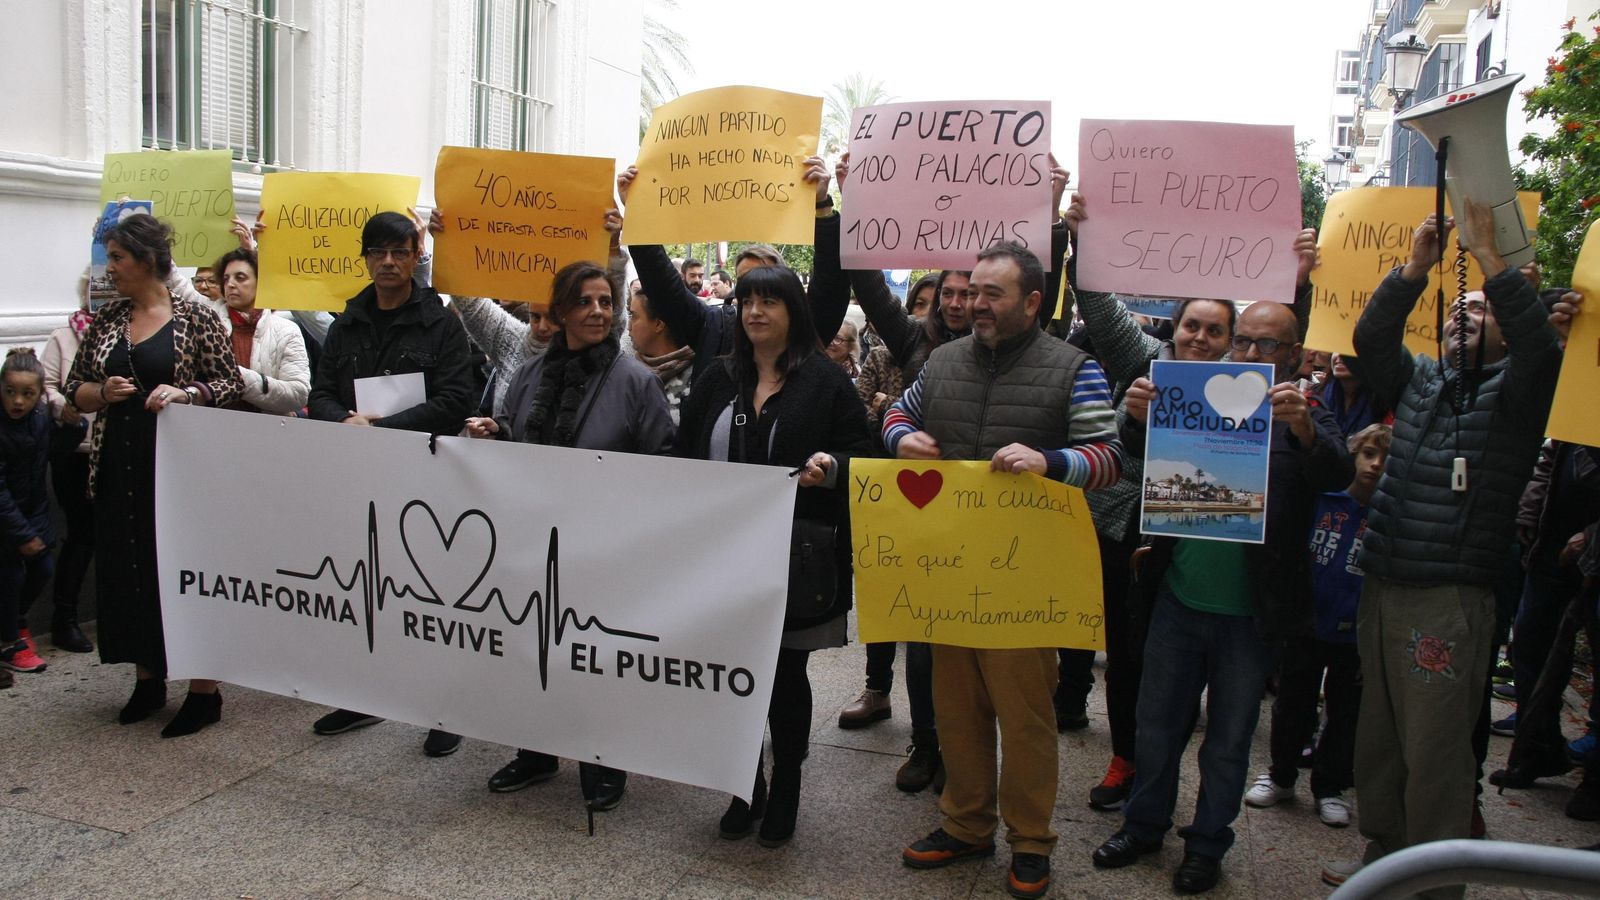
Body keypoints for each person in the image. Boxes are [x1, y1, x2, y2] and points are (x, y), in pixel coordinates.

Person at [1321, 202, 1573, 894]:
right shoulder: (1424, 379)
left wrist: (1495, 263)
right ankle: (1386, 854)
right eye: (1455, 311)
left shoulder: (1521, 392)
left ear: (1506, 332)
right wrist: (1413, 269)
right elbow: (1371, 342)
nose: (1463, 318)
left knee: (1434, 750)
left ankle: (1434, 881)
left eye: (1480, 313)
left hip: (1448, 599)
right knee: (1381, 738)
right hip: (1385, 582)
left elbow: (1542, 347)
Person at [1064, 189, 1320, 812]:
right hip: (1130, 534)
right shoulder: (1144, 362)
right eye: (1191, 326)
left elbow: (1286, 335)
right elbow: (1098, 308)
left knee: (1180, 681)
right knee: (1127, 659)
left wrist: (1299, 281)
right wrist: (1082, 239)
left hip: (1200, 549)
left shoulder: (1252, 390)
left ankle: (1170, 783)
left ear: (1233, 341)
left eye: (1216, 331)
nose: (1201, 338)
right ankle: (1128, 760)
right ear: (1173, 330)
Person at [888, 240, 1122, 900]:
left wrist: (1054, 462)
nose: (974, 305)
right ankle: (965, 825)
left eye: (992, 294)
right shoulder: (944, 361)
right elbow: (899, 411)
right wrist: (902, 437)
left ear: (1033, 302)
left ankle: (1029, 840)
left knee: (1025, 721)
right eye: (969, 292)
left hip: (1026, 580)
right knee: (953, 709)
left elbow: (1109, 456)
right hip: (949, 569)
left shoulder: (1074, 369)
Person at [1092, 301, 1350, 895]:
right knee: (1156, 726)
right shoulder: (1191, 393)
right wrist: (1134, 417)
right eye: (1246, 342)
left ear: (1292, 352)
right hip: (1176, 598)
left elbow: (1337, 474)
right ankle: (1144, 825)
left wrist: (1307, 431)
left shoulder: (1307, 410)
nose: (1253, 354)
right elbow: (1137, 451)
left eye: (1269, 345)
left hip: (1250, 616)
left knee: (1230, 742)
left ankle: (1207, 844)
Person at [675, 264, 873, 848]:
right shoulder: (716, 378)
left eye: (770, 301)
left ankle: (785, 783)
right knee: (733, 676)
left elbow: (859, 455)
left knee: (784, 676)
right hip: (720, 556)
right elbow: (685, 456)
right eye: (746, 302)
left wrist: (829, 468)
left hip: (792, 557)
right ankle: (745, 784)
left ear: (794, 311)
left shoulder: (825, 381)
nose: (755, 311)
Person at [466, 260, 674, 811]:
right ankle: (536, 751)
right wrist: (497, 432)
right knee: (531, 646)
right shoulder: (532, 375)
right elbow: (519, 441)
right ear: (560, 312)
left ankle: (604, 759)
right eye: (585, 302)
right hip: (532, 539)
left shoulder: (636, 381)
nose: (599, 312)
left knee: (594, 654)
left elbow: (665, 462)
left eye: (607, 301)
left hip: (603, 546)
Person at [62, 213, 243, 736]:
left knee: (182, 572)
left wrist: (188, 393)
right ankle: (148, 679)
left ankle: (204, 692)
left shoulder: (197, 317)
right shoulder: (109, 319)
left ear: (145, 259)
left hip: (180, 472)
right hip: (119, 464)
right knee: (131, 569)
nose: (110, 268)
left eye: (117, 258)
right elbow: (75, 387)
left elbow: (229, 384)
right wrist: (100, 393)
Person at [305, 211, 476, 757]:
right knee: (366, 582)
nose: (387, 262)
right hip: (360, 476)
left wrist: (385, 428)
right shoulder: (348, 322)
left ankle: (444, 707)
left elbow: (456, 399)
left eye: (399, 252)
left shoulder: (441, 323)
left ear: (414, 256)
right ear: (366, 258)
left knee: (433, 591)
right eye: (378, 252)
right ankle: (365, 693)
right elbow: (323, 388)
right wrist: (341, 421)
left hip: (427, 477)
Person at [1246, 423, 1391, 829]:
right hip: (1307, 622)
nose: (1376, 465)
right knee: (1293, 703)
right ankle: (1281, 775)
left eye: (1385, 458)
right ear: (1352, 456)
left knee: (1345, 713)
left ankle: (1330, 788)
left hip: (1354, 634)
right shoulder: (1322, 499)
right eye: (1368, 455)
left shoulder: (1387, 517)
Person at [613, 158, 850, 386]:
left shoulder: (805, 328)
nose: (755, 302)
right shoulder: (716, 326)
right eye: (746, 285)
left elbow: (831, 287)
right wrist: (637, 213)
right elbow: (664, 288)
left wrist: (821, 206)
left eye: (767, 290)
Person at [38, 274, 96, 653]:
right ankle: (64, 618)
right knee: (81, 534)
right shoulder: (64, 336)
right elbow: (44, 385)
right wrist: (65, 407)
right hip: (74, 453)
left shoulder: (130, 330)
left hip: (115, 450)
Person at [0, 348, 55, 676]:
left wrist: (74, 426)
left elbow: (48, 457)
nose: (17, 401)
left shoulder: (40, 419)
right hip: (6, 517)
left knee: (43, 567)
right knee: (12, 575)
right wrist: (23, 535)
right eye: (10, 392)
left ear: (39, 395)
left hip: (29, 511)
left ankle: (15, 624)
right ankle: (10, 643)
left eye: (27, 394)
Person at [212, 246, 310, 415]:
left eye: (240, 277)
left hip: (267, 433)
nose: (230, 284)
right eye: (226, 278)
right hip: (213, 428)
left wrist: (240, 378)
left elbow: (298, 393)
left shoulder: (286, 330)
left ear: (261, 282)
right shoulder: (207, 325)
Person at [627, 280, 694, 423]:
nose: (629, 326)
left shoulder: (697, 380)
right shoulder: (627, 373)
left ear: (658, 324)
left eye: (634, 316)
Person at [1309, 353, 1389, 438]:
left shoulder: (1384, 404)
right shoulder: (1315, 396)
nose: (1339, 355)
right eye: (1337, 348)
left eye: (1349, 350)